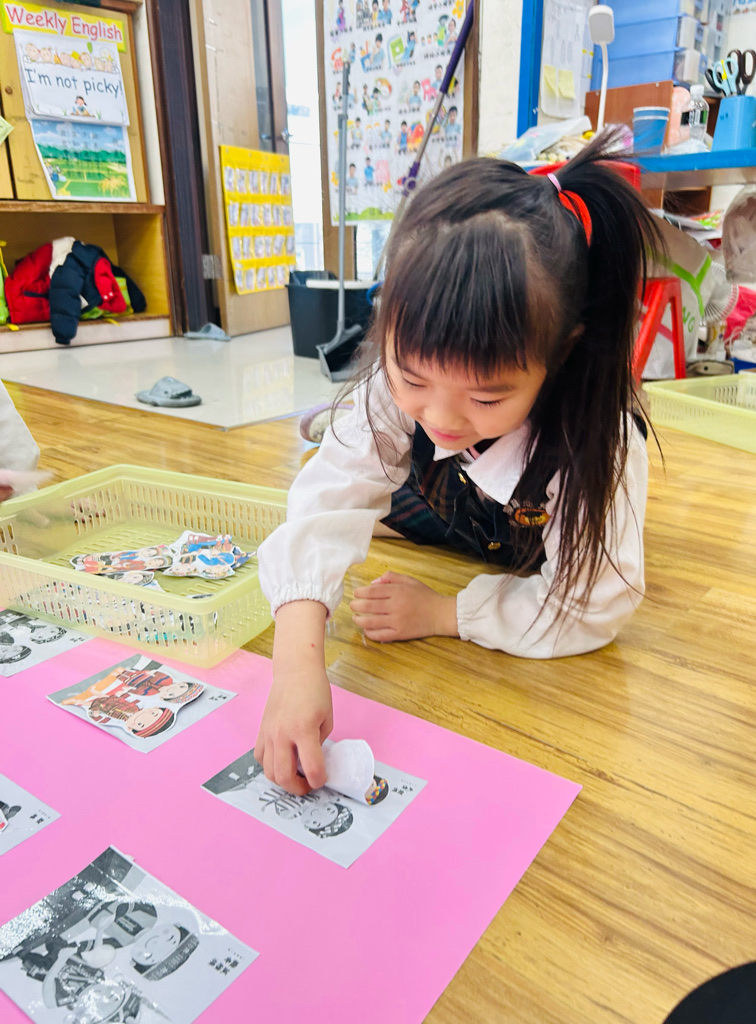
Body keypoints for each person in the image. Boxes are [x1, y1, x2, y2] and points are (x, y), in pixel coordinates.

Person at [255, 133, 661, 795]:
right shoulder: (399, 389)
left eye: (486, 396)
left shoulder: (595, 438)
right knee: (354, 473)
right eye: (413, 377)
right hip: (449, 500)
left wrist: (447, 614)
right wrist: (296, 667)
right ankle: (364, 427)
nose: (441, 415)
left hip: (529, 532)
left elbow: (592, 604)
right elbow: (328, 501)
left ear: (560, 354)